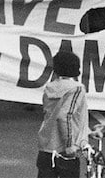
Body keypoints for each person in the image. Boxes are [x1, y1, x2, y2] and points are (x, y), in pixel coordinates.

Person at [36, 49, 89, 178]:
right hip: (64, 151)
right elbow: (65, 116)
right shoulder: (76, 89)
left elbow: (52, 115)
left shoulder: (49, 88)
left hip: (47, 147)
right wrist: (70, 144)